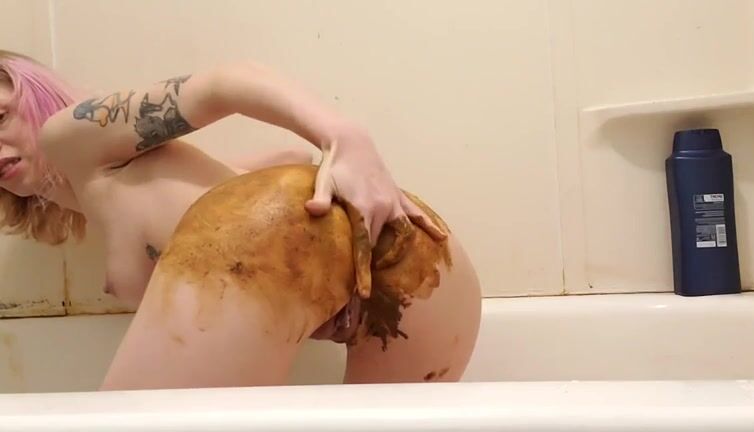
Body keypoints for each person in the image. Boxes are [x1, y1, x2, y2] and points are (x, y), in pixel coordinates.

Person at [0, 50, 482, 389]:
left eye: (1, 117)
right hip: (418, 245)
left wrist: (344, 137)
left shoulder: (69, 134)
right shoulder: (136, 183)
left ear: (33, 94)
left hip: (363, 232)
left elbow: (224, 83)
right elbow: (281, 172)